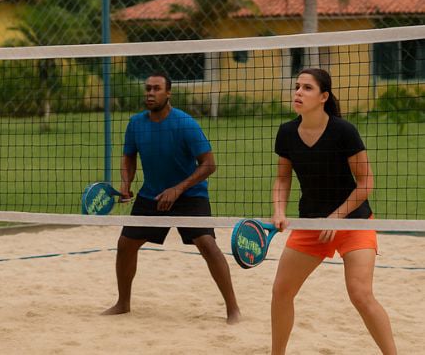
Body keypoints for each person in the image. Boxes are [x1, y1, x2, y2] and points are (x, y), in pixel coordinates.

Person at [270, 68, 395, 355]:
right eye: (297, 86)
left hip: (353, 222)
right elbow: (283, 178)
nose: (298, 92)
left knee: (360, 294)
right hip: (311, 224)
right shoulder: (287, 132)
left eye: (307, 88)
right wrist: (278, 210)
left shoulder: (343, 131)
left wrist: (337, 217)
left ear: (324, 96)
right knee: (281, 292)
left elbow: (366, 183)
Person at [102, 72, 241, 323]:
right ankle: (123, 303)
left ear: (168, 93)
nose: (150, 93)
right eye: (147, 88)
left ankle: (233, 309)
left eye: (156, 89)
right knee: (125, 245)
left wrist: (178, 189)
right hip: (152, 194)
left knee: (207, 244)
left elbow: (209, 164)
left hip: (189, 194)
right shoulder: (136, 123)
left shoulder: (185, 124)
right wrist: (125, 184)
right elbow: (129, 156)